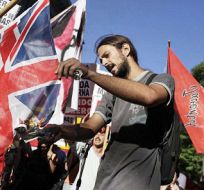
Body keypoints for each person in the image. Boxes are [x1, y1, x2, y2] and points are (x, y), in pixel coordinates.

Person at [44, 34, 175, 190]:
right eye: (101, 60)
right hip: (104, 183)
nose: (104, 62)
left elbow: (150, 96)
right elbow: (90, 128)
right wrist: (60, 130)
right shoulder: (111, 94)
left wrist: (89, 73)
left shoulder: (161, 80)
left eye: (107, 55)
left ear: (125, 49)